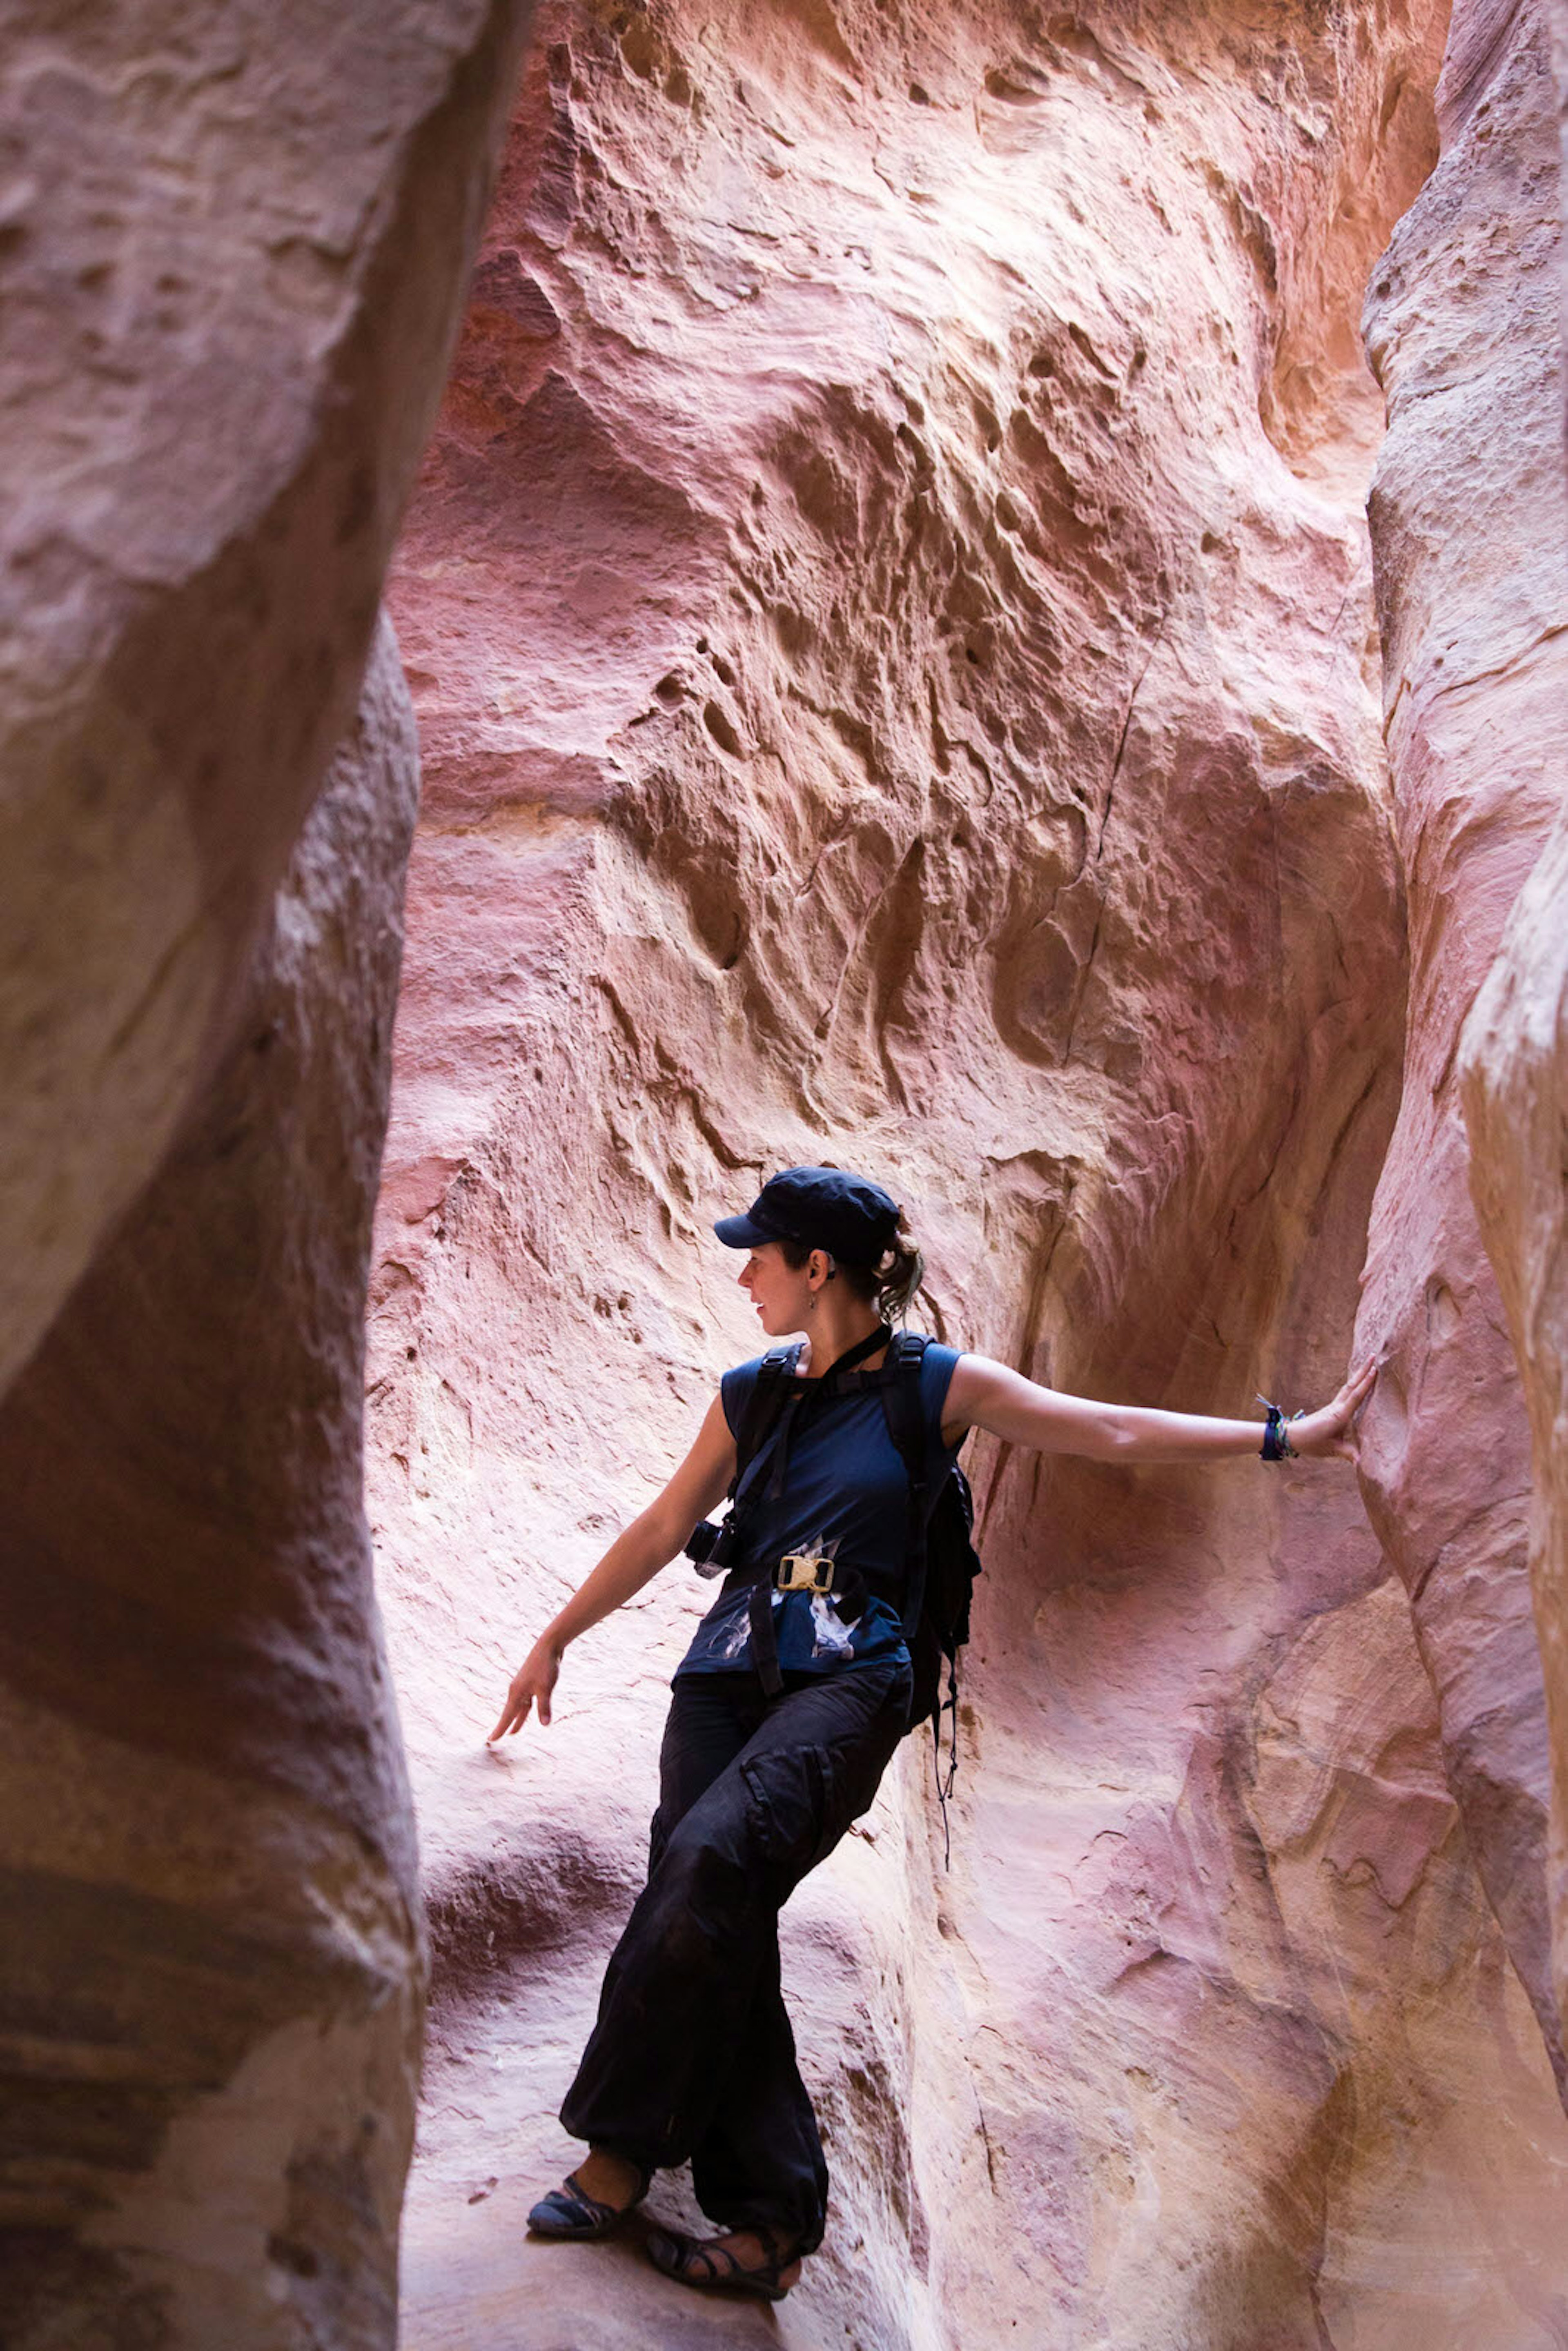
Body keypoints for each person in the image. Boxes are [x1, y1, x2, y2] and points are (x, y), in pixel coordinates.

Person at [490, 1165, 1374, 2304]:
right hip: (720, 1679)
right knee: (711, 1896)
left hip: (851, 1680)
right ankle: (771, 2217)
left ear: (822, 1270)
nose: (745, 1270)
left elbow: (1100, 1427)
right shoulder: (749, 1392)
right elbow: (667, 1524)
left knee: (712, 1862)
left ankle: (615, 2156)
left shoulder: (932, 1386)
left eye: (763, 1253)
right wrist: (557, 1634)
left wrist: (1287, 1439)